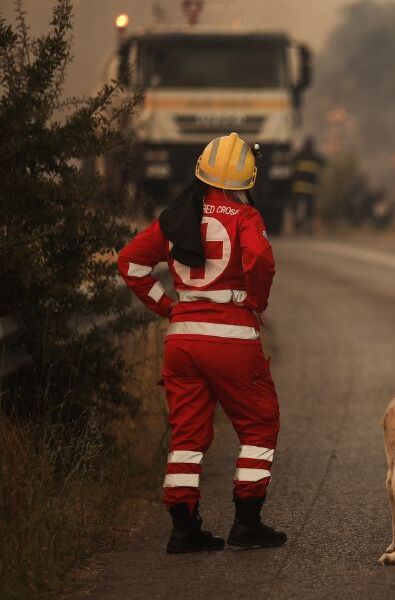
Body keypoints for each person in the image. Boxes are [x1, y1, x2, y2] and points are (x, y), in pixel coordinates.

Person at [118, 133, 287, 553]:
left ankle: (183, 527)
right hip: (231, 337)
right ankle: (247, 523)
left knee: (187, 437)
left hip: (183, 338)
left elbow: (131, 263)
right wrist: (256, 300)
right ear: (247, 178)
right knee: (259, 425)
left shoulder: (177, 216)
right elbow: (261, 260)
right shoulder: (245, 217)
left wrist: (167, 307)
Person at [291, 136, 325, 234]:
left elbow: (292, 163)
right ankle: (306, 225)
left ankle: (298, 223)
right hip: (310, 188)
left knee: (297, 205)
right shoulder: (315, 157)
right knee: (309, 207)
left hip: (299, 187)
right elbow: (324, 163)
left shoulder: (299, 155)